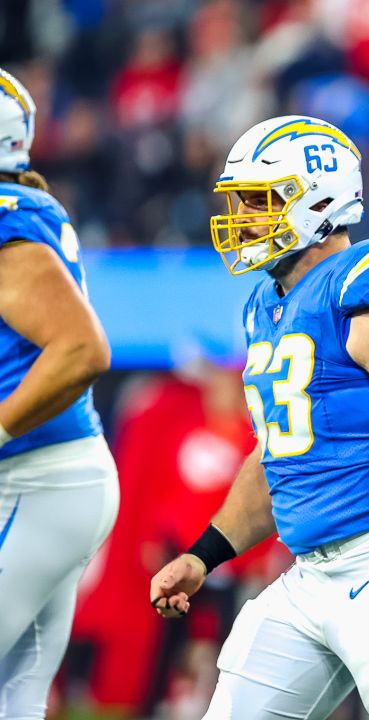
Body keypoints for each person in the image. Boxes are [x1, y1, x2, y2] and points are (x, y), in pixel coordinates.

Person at [148, 115, 369, 719]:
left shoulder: (361, 286)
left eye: (258, 201)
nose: (243, 217)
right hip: (310, 573)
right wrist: (202, 555)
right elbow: (279, 458)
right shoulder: (266, 303)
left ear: (315, 201)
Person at [0, 67, 118, 718]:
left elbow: (81, 348)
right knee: (13, 699)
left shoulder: (8, 222)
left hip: (38, 481)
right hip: (44, 483)